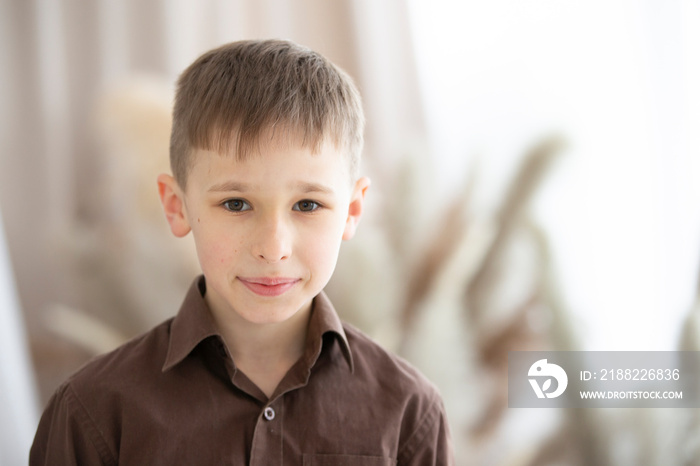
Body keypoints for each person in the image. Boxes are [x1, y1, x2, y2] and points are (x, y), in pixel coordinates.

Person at [30, 39, 454, 465]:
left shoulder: (409, 414)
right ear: (177, 207)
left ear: (352, 210)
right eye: (236, 204)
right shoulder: (93, 413)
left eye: (307, 205)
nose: (273, 248)